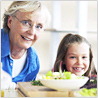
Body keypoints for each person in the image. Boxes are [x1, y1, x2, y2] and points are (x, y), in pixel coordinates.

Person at [1, 0, 51, 86]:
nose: (32, 32)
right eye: (26, 23)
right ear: (10, 21)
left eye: (38, 27)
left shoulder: (33, 61)